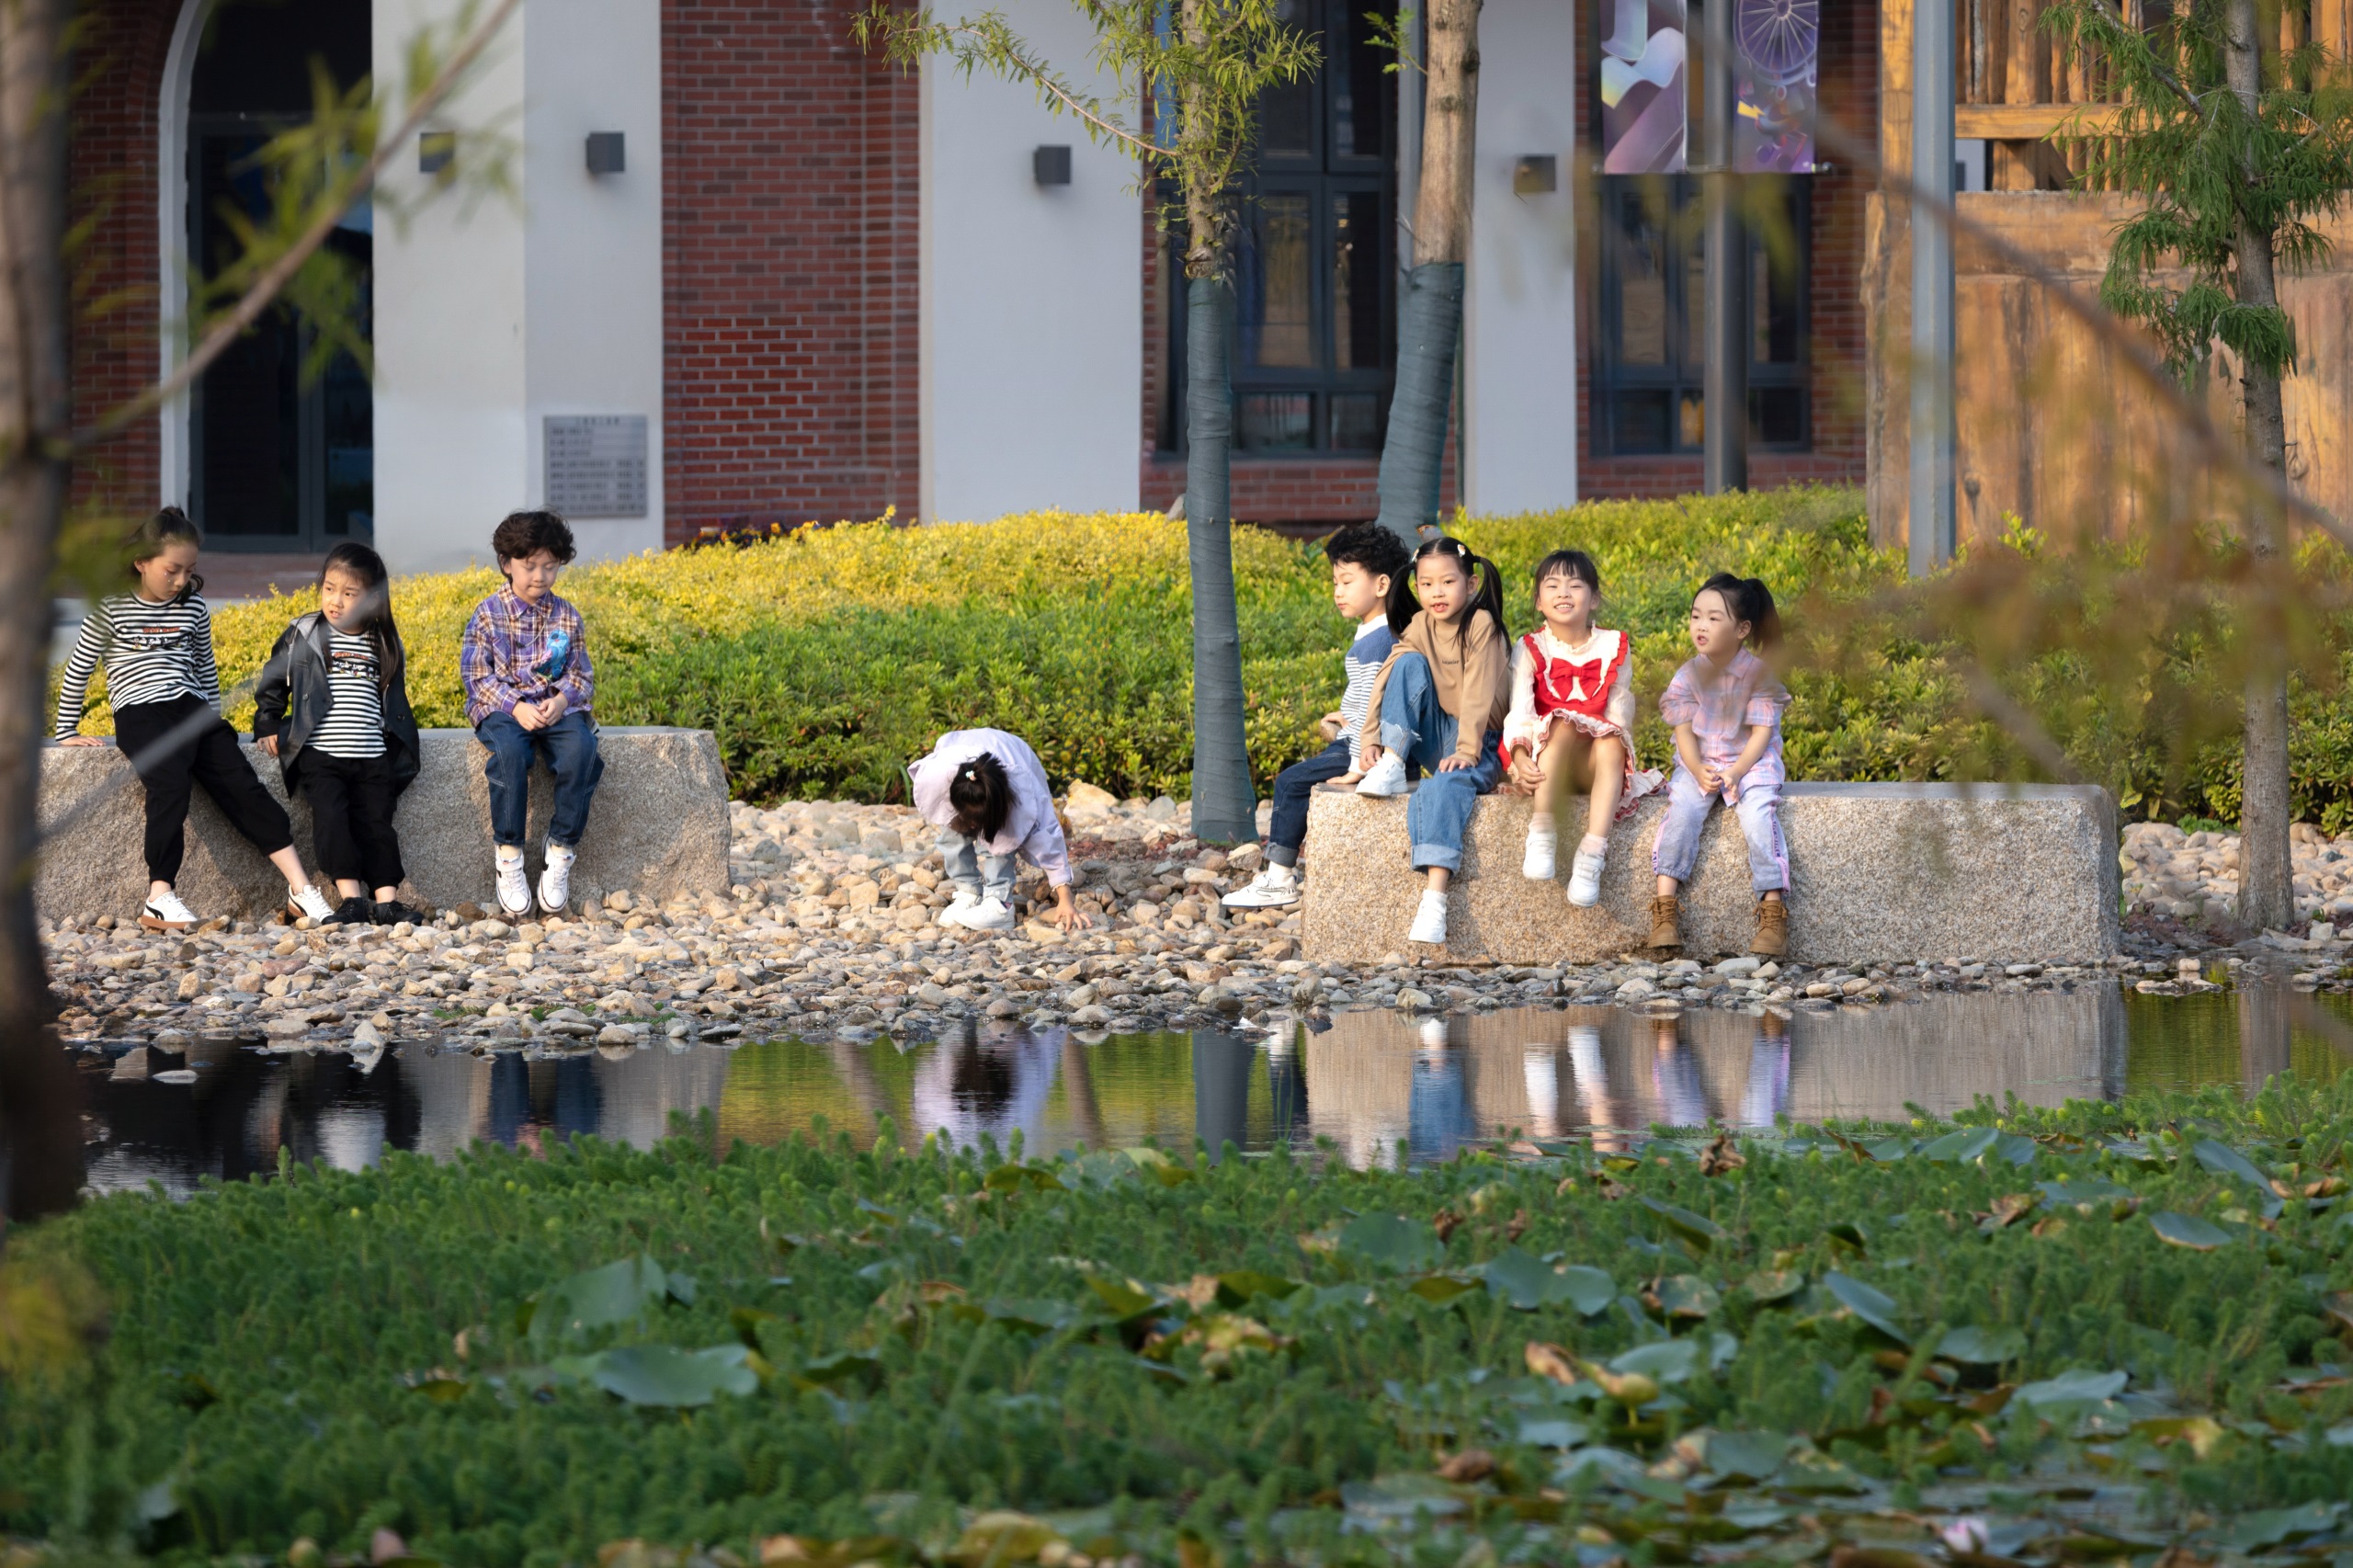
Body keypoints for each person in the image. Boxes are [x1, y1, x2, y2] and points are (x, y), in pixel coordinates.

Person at [54, 509, 336, 932]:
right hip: (139, 713)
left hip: (190, 710)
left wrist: (213, 728)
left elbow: (205, 670)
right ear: (141, 562)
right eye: (171, 570)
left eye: (189, 570)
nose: (181, 580)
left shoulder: (194, 607)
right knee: (169, 783)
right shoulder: (110, 609)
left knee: (241, 784)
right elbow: (78, 668)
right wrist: (66, 731)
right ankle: (159, 897)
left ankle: (299, 888)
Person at [1224, 521, 1410, 911]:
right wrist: (1347, 714)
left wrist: (1362, 761)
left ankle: (1279, 878)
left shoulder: (1380, 640)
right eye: (1334, 583)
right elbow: (1370, 697)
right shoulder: (1376, 632)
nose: (1337, 592)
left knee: (1290, 782)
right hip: (1358, 736)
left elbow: (1383, 702)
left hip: (1362, 749)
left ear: (1381, 585)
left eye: (1346, 581)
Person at [253, 542, 426, 927]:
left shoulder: (383, 642)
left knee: (377, 824)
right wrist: (267, 720)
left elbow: (393, 703)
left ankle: (387, 900)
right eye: (329, 588)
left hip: (370, 754)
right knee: (331, 820)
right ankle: (351, 900)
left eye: (350, 594)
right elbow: (273, 679)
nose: (336, 601)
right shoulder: (305, 633)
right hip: (321, 755)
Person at [1352, 536, 1511, 948]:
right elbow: (1388, 675)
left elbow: (1478, 695)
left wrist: (1467, 751)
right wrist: (1371, 739)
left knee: (1442, 785)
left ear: (1471, 584)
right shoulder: (1421, 624)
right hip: (1441, 734)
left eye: (1447, 582)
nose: (1436, 593)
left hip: (1481, 740)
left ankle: (1434, 900)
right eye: (1426, 584)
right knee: (1405, 662)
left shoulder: (1482, 625)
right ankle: (1393, 760)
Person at [460, 509, 603, 917]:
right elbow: (475, 677)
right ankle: (509, 854)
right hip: (503, 708)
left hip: (554, 708)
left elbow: (581, 674)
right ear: (507, 564)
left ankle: (560, 848)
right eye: (529, 566)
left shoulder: (566, 615)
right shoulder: (488, 613)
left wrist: (560, 702)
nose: (540, 576)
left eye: (550, 566)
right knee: (509, 755)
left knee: (582, 751)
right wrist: (515, 707)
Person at [1500, 550, 1662, 907]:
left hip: (1596, 770)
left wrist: (1616, 744)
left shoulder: (1614, 645)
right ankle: (1542, 832)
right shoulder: (1529, 648)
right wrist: (1521, 756)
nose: (1563, 593)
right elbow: (1520, 711)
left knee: (1611, 739)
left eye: (1575, 585)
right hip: (1548, 764)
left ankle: (1592, 855)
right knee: (1562, 724)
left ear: (1594, 599)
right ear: (1538, 601)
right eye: (1553, 586)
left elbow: (1620, 715)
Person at [1649, 574, 1792, 957]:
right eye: (1696, 616)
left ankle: (1773, 909)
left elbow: (1761, 734)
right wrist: (1696, 770)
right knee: (1682, 811)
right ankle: (1664, 911)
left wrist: (1736, 772)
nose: (1701, 626)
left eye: (1714, 618)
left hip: (1751, 763)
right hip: (1701, 762)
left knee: (1759, 817)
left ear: (1742, 628)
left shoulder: (1759, 674)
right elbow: (1683, 732)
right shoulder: (1688, 674)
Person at [908, 729, 1092, 934]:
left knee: (1002, 837)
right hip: (962, 754)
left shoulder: (1024, 795)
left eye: (976, 823)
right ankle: (968, 893)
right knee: (952, 835)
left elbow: (1048, 838)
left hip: (1017, 755)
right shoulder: (944, 775)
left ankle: (1000, 902)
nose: (972, 828)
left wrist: (1065, 900)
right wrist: (965, 820)